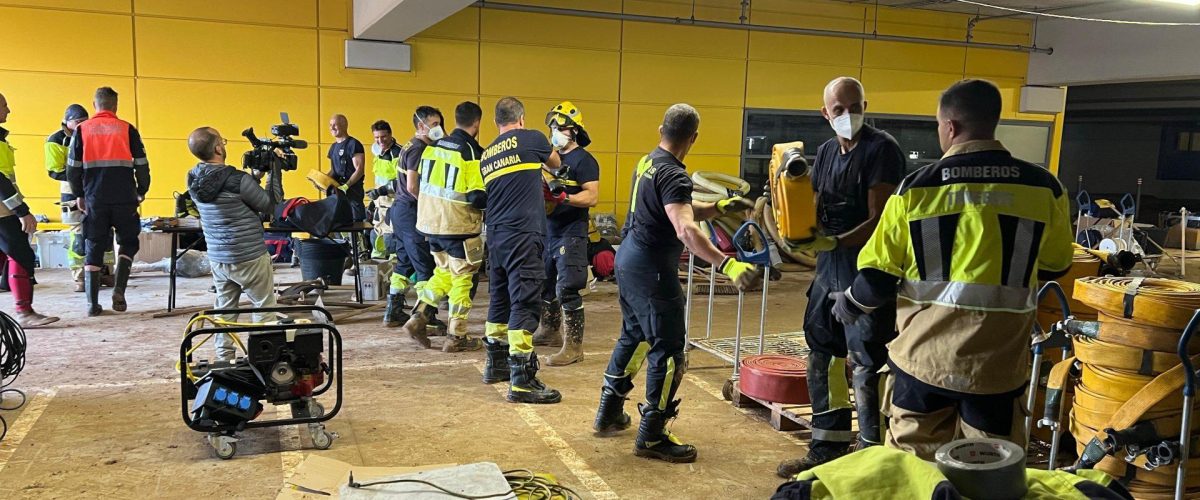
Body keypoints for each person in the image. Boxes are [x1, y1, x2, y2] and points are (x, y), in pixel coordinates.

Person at [828, 79, 1073, 460]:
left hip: (924, 364)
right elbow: (1057, 264)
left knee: (912, 468)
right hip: (998, 368)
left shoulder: (916, 189)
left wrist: (851, 303)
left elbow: (877, 279)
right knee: (989, 474)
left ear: (950, 127)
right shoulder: (1044, 188)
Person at [593, 104, 758, 463]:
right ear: (694, 138)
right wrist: (726, 264)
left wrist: (719, 206)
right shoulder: (676, 176)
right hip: (653, 271)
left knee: (635, 336)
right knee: (669, 352)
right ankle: (652, 435)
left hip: (628, 262)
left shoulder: (648, 162)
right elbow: (684, 227)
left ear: (660, 130)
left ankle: (609, 411)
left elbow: (679, 207)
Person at [776, 77, 904, 477]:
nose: (848, 116)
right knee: (822, 352)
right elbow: (813, 202)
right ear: (824, 113)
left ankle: (871, 456)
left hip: (866, 268)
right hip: (829, 268)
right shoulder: (828, 151)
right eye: (838, 110)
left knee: (866, 362)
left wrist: (834, 243)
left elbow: (880, 219)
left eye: (854, 107)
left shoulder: (882, 150)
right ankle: (827, 446)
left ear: (866, 104)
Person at [477, 97, 565, 404]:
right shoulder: (533, 138)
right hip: (523, 234)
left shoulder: (487, 155)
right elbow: (556, 164)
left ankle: (496, 363)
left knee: (499, 299)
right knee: (525, 302)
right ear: (522, 119)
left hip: (497, 236)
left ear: (496, 122)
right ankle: (523, 378)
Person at [186, 127, 283, 360]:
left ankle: (224, 358)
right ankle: (264, 357)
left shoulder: (192, 177)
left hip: (219, 257)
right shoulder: (237, 179)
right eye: (223, 141)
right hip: (249, 255)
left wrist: (253, 178)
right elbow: (270, 204)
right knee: (263, 306)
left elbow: (224, 188)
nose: (225, 145)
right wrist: (274, 171)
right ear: (218, 148)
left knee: (225, 309)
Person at [401, 102, 486, 353]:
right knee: (463, 278)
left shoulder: (433, 147)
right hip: (457, 224)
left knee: (443, 273)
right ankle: (456, 336)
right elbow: (476, 196)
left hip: (430, 224)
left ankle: (418, 317)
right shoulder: (470, 150)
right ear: (477, 123)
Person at [67, 87, 150, 316]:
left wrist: (79, 194)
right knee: (129, 242)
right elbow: (142, 164)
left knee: (93, 245)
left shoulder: (82, 130)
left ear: (95, 105)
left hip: (95, 199)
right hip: (125, 198)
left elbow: (72, 169)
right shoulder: (127, 129)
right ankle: (119, 291)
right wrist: (142, 190)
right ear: (115, 106)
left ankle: (92, 304)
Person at [532, 101, 600, 367]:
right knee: (545, 283)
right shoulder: (551, 158)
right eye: (552, 127)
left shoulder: (584, 160)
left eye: (560, 127)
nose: (555, 132)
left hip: (571, 233)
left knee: (568, 287)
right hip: (549, 230)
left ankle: (574, 347)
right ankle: (549, 330)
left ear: (574, 130)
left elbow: (592, 196)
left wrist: (563, 197)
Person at [367, 110, 442, 331]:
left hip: (399, 212)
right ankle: (425, 316)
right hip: (411, 212)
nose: (438, 128)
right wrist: (429, 206)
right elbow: (411, 186)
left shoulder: (409, 145)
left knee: (403, 263)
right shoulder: (419, 149)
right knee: (423, 265)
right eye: (434, 124)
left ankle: (393, 311)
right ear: (420, 126)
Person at [0, 92, 58, 327]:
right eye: (4, 105)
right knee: (21, 254)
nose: (9, 110)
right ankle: (24, 312)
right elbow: (1, 180)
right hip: (3, 211)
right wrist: (21, 211)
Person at [46, 104, 115, 292]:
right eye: (78, 122)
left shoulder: (92, 134)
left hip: (97, 190)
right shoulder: (56, 140)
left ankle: (106, 273)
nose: (82, 125)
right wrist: (82, 177)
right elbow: (54, 171)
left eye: (85, 121)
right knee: (78, 236)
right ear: (67, 121)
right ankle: (81, 276)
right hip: (72, 192)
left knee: (106, 231)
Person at [326, 114, 367, 222]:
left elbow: (359, 169)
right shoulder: (333, 147)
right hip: (337, 194)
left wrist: (346, 186)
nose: (332, 128)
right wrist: (323, 180)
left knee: (356, 226)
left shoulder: (353, 144)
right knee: (339, 225)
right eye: (330, 125)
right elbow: (334, 170)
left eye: (335, 125)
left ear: (344, 125)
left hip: (353, 193)